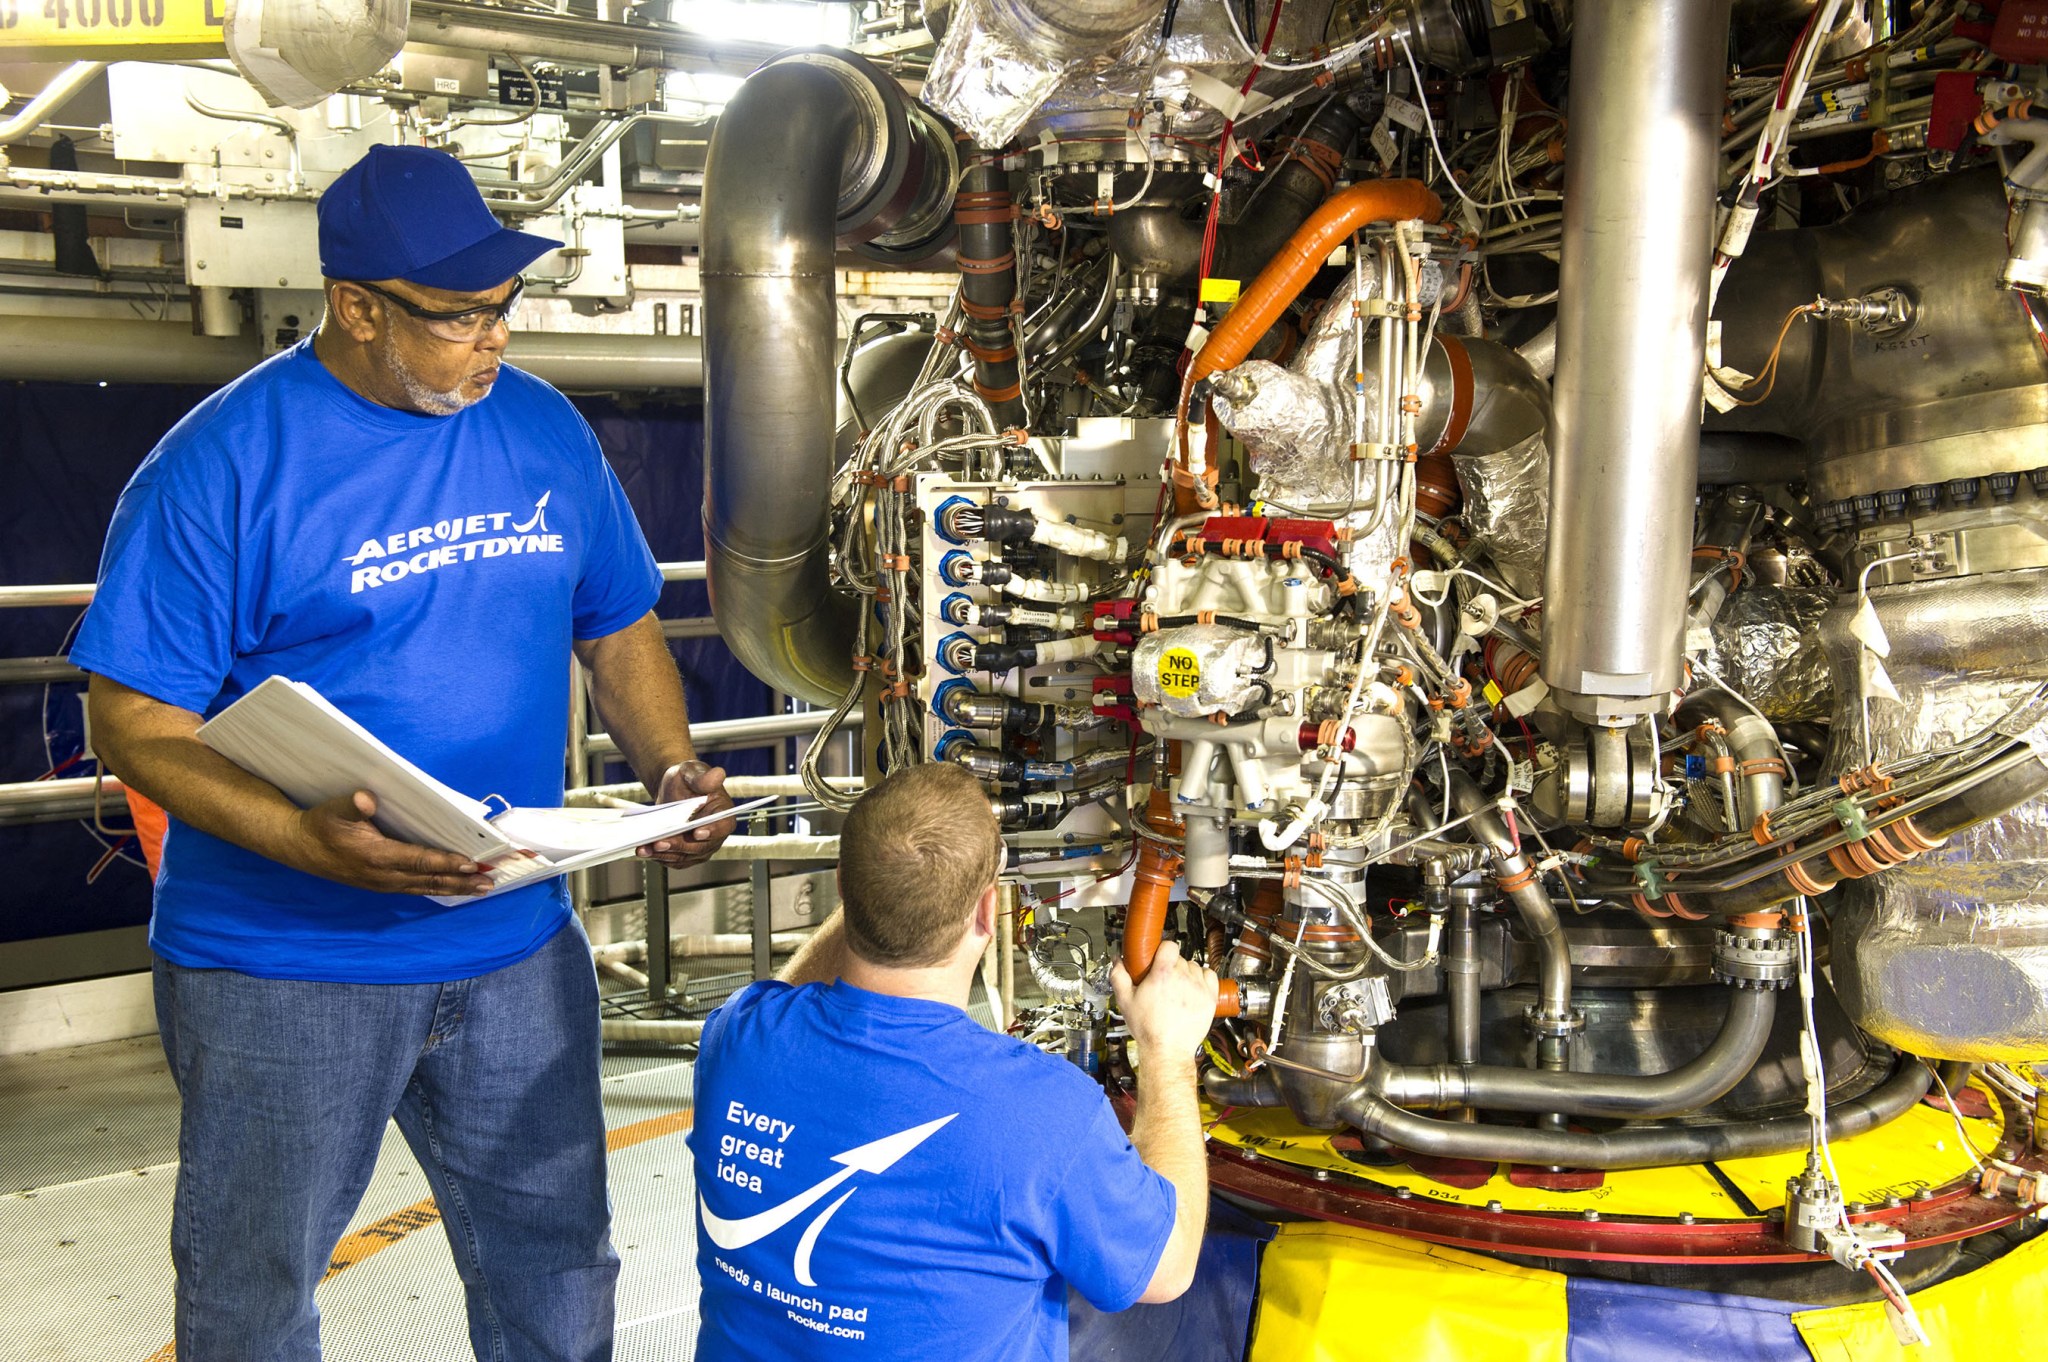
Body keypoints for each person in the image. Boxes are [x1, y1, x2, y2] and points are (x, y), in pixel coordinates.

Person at [73, 143, 734, 1362]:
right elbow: (133, 723)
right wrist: (298, 838)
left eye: (501, 311)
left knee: (557, 1261)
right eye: (456, 318)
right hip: (283, 968)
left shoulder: (539, 427)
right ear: (357, 306)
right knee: (253, 1293)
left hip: (513, 949)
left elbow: (618, 619)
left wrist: (668, 768)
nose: (491, 341)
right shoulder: (219, 467)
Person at [687, 761, 1216, 1361]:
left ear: (842, 886)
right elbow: (1168, 1269)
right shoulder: (1044, 1114)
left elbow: (791, 994)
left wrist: (885, 880)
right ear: (990, 912)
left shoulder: (736, 1035)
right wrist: (1168, 1051)